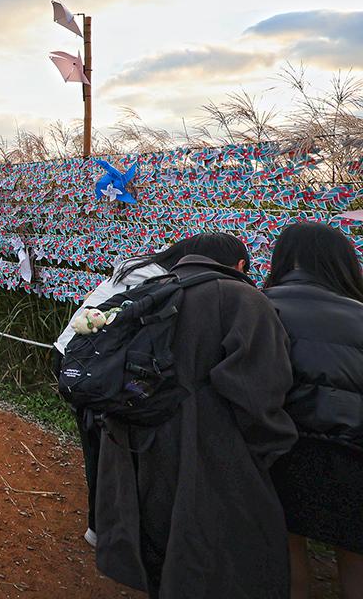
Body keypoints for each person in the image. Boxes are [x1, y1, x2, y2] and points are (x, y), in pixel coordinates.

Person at [94, 233, 296, 599]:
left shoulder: (147, 289)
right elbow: (261, 391)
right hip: (205, 448)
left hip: (134, 440)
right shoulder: (243, 299)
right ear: (240, 266)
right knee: (209, 559)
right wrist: (269, 449)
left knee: (156, 542)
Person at [55, 235, 246, 549]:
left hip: (73, 355)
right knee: (111, 447)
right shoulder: (165, 282)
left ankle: (102, 526)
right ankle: (109, 530)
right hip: (98, 366)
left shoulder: (140, 268)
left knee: (100, 444)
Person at [264, 222, 363, 599]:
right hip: (355, 453)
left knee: (289, 548)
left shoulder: (264, 305)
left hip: (286, 450)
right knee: (355, 554)